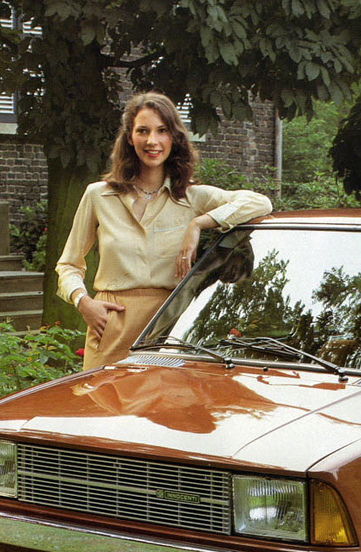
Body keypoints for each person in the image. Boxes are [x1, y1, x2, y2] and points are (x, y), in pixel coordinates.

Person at [56, 92, 273, 369]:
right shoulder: (99, 195)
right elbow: (68, 264)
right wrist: (83, 301)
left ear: (174, 138)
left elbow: (260, 202)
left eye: (162, 131)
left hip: (169, 329)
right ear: (129, 137)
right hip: (110, 327)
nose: (152, 141)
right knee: (103, 398)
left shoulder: (192, 197)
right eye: (142, 131)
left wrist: (199, 223)